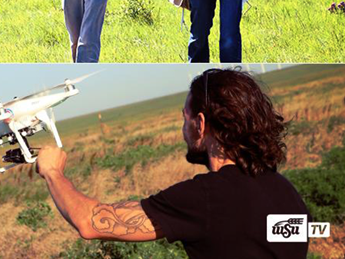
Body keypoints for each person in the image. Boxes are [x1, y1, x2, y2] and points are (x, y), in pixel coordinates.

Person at [35, 68, 308, 258]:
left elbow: (91, 223)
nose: (183, 128)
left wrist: (52, 171)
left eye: (185, 118)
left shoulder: (205, 198)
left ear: (200, 124)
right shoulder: (287, 192)